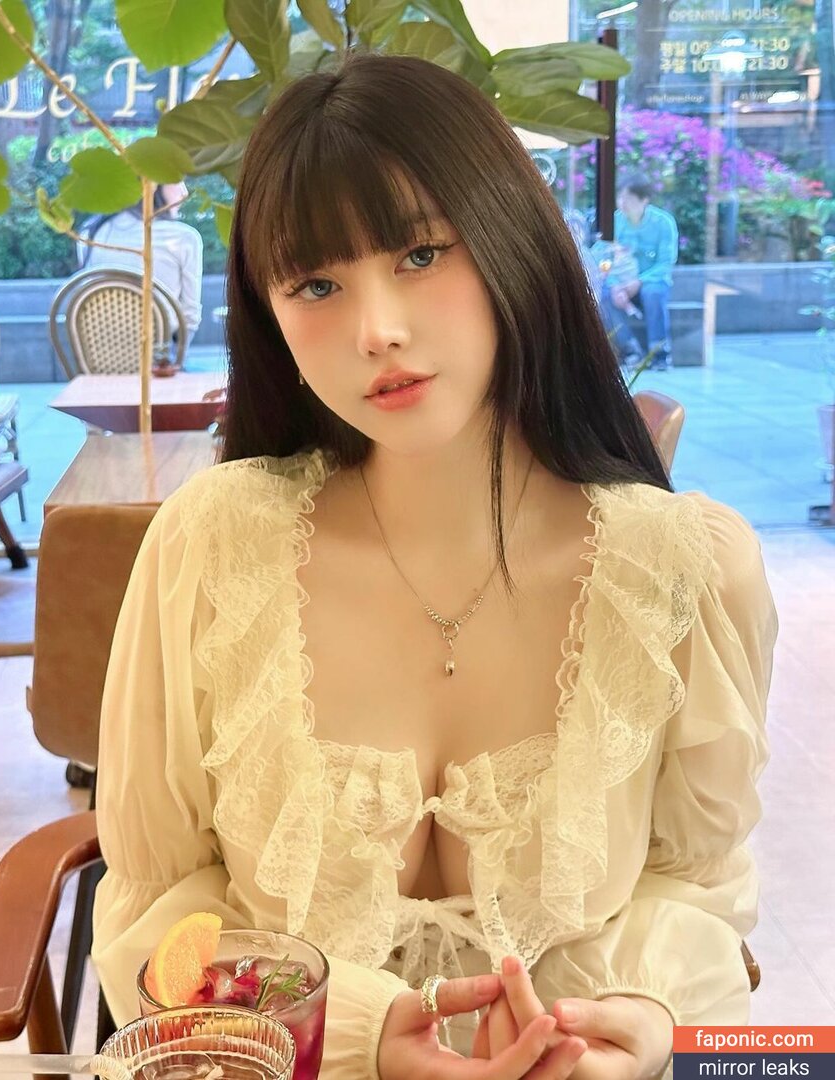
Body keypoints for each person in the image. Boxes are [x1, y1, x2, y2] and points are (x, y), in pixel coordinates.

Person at [92, 53, 777, 1080]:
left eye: (419, 254)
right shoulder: (213, 550)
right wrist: (359, 1037)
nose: (378, 331)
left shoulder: (684, 572)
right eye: (316, 283)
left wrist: (642, 1022)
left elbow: (698, 886)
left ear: (510, 239)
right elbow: (156, 906)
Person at [79, 182, 204, 346]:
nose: (184, 192)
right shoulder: (183, 238)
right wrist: (179, 357)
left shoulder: (89, 233)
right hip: (159, 355)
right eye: (177, 180)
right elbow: (190, 318)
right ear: (152, 184)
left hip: (97, 354)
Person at [601, 175, 679, 371]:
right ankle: (630, 350)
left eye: (629, 198)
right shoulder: (615, 222)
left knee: (653, 293)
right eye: (620, 197)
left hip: (651, 281)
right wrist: (614, 284)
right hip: (621, 281)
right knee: (604, 295)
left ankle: (659, 354)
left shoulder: (664, 223)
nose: (622, 203)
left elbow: (665, 263)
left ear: (644, 200)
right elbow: (604, 257)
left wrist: (639, 281)